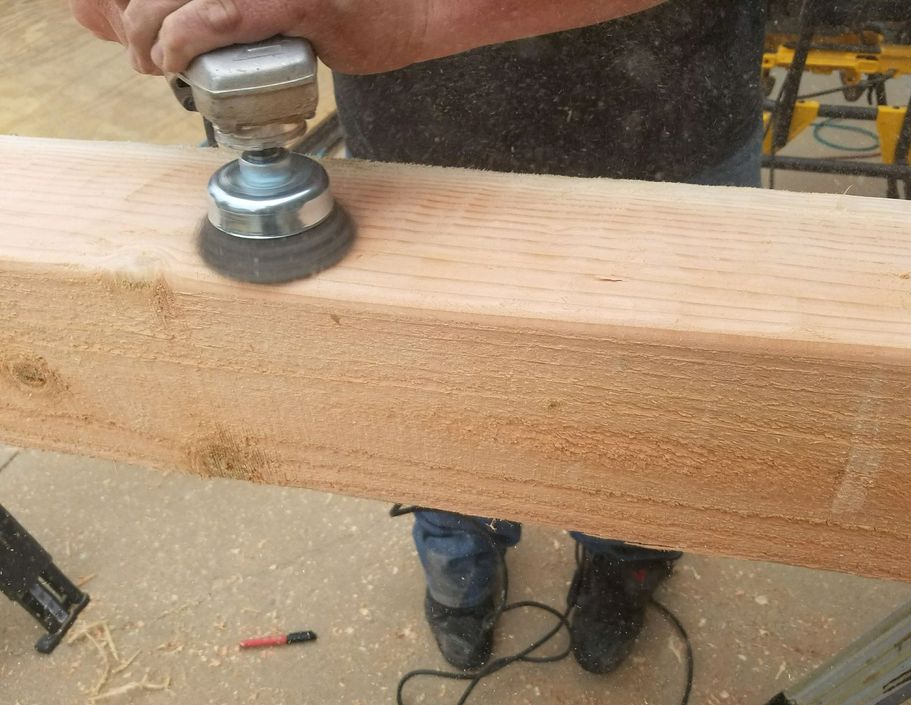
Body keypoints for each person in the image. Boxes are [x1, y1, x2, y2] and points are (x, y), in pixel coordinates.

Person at [72, 0, 766, 677]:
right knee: (431, 414)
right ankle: (461, 569)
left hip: (667, 123)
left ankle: (621, 559)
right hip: (415, 147)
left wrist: (419, 14)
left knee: (646, 425)